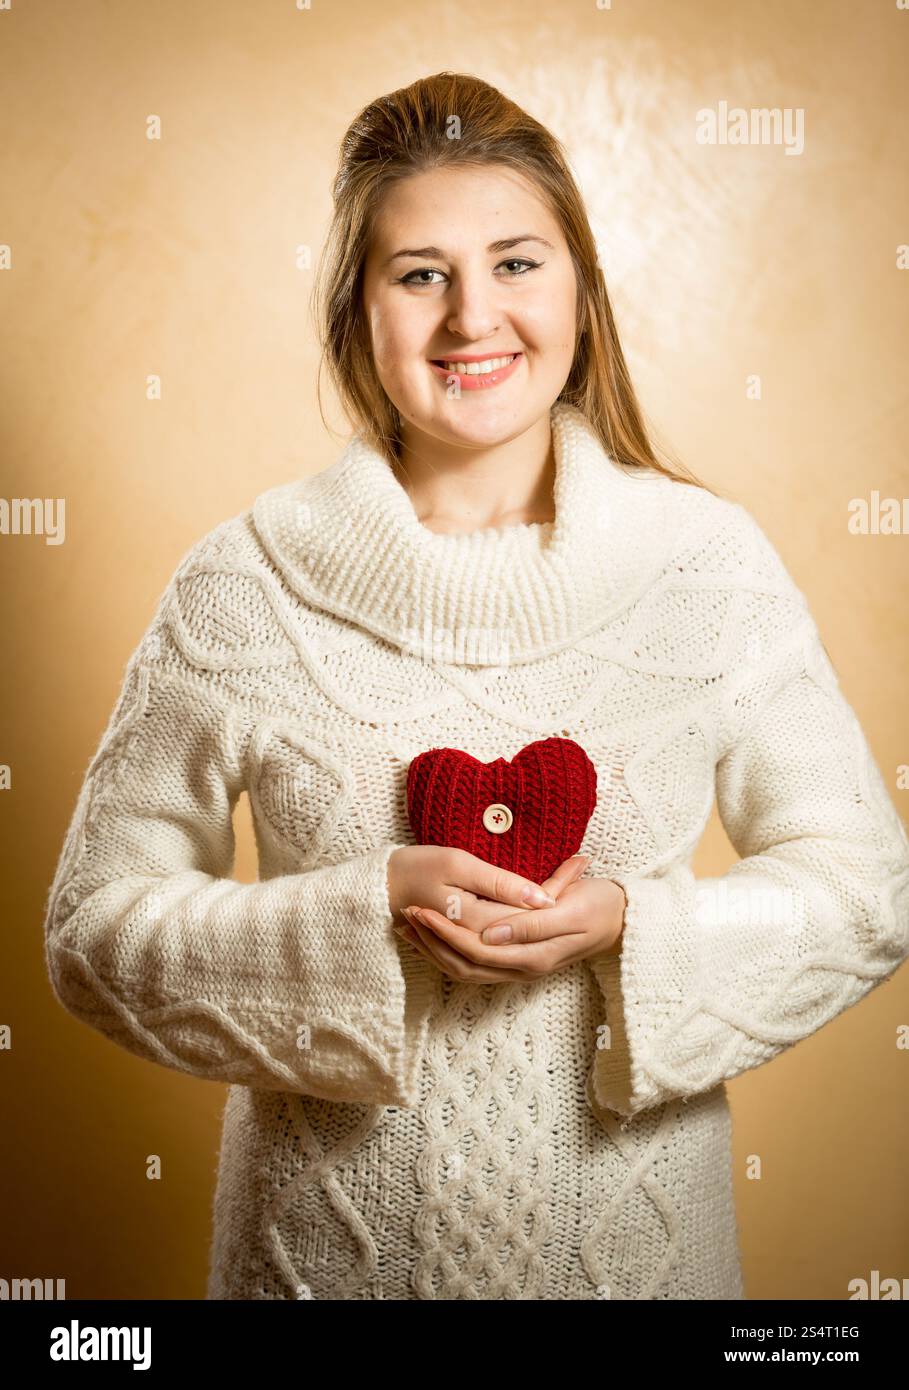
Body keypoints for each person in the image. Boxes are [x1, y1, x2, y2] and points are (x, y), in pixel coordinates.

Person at [43, 71, 909, 1301]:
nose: (471, 318)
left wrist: (635, 926)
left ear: (580, 293)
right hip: (314, 1274)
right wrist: (362, 908)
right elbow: (93, 933)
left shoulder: (707, 567)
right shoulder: (244, 583)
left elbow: (865, 885)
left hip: (640, 1274)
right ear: (359, 313)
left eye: (515, 263)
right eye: (419, 274)